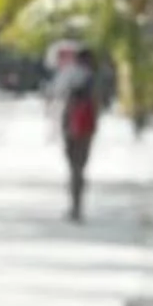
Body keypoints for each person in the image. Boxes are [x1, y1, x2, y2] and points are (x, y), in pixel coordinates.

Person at [57, 42, 99, 219]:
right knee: (79, 168)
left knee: (74, 168)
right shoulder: (92, 77)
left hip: (72, 126)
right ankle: (77, 205)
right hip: (85, 126)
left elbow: (58, 94)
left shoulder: (69, 74)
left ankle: (75, 205)